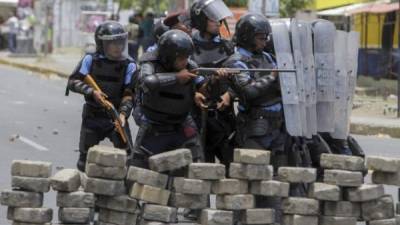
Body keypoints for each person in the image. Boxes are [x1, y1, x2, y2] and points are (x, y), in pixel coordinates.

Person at [222, 13, 287, 222]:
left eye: (266, 37)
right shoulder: (237, 62)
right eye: (261, 37)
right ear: (248, 36)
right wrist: (272, 78)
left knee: (275, 182)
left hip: (278, 127)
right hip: (255, 128)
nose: (265, 41)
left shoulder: (267, 57)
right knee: (250, 179)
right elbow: (248, 92)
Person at [66, 21, 136, 172]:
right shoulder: (90, 60)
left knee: (128, 158)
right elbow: (72, 82)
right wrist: (92, 92)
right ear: (102, 43)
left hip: (115, 116)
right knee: (84, 162)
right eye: (113, 43)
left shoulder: (129, 65)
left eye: (120, 42)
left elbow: (129, 94)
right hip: (93, 116)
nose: (118, 46)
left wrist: (123, 115)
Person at [131, 30, 206, 169]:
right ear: (168, 57)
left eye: (187, 57)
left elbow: (203, 88)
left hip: (182, 124)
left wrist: (214, 82)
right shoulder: (150, 64)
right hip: (154, 125)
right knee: (138, 169)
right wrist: (177, 78)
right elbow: (146, 82)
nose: (185, 62)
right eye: (181, 58)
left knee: (197, 167)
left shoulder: (191, 67)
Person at [189, 0, 236, 168]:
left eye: (218, 18)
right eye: (212, 18)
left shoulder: (228, 47)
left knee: (232, 167)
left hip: (223, 115)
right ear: (201, 20)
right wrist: (194, 93)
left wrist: (230, 94)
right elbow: (183, 78)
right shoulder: (188, 46)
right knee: (201, 170)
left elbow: (241, 78)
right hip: (197, 115)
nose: (218, 22)